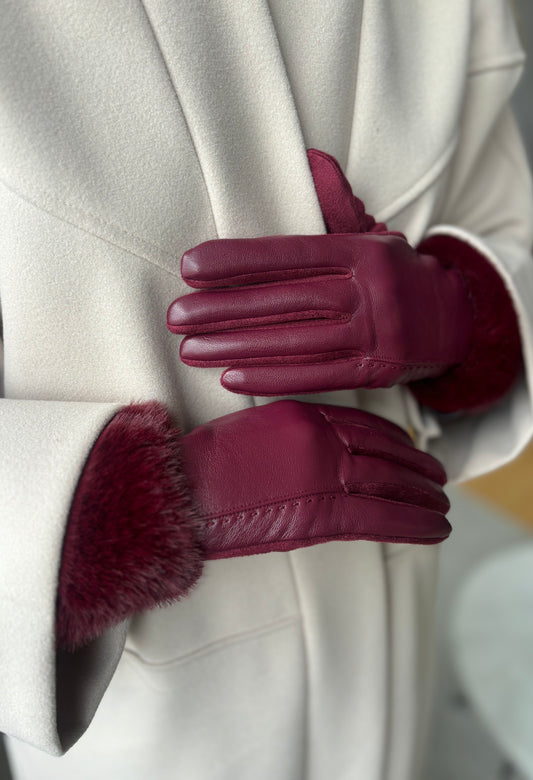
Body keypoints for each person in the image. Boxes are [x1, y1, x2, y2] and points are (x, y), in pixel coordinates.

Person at [1, 1, 532, 778]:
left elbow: (502, 206)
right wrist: (111, 512)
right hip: (144, 721)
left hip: (392, 631)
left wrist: (464, 311)